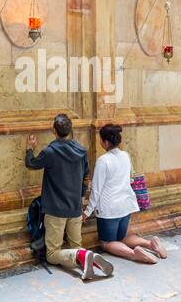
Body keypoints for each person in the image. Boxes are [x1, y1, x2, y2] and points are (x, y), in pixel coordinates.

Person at [25, 113, 114, 280]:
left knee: (52, 254)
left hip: (55, 210)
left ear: (54, 130)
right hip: (75, 208)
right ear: (70, 130)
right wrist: (79, 197)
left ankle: (83, 257)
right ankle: (89, 258)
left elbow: (31, 164)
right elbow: (86, 177)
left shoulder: (50, 152)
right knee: (76, 246)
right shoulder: (81, 151)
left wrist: (30, 148)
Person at [83, 124, 167, 264]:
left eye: (101, 140)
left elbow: (96, 190)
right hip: (126, 206)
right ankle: (150, 244)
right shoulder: (125, 156)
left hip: (109, 210)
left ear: (106, 142)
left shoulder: (103, 161)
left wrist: (87, 211)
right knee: (122, 238)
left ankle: (134, 254)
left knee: (106, 242)